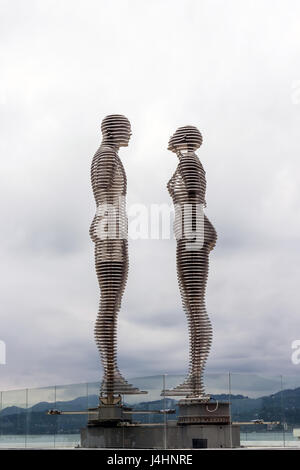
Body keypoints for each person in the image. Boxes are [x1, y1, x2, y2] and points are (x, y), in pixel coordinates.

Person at [163, 126, 217, 398]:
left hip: (192, 233)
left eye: (174, 134)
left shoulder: (188, 160)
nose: (169, 138)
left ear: (183, 139)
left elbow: (196, 199)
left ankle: (195, 380)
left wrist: (202, 231)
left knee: (194, 305)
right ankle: (194, 379)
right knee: (192, 305)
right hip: (190, 232)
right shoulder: (188, 162)